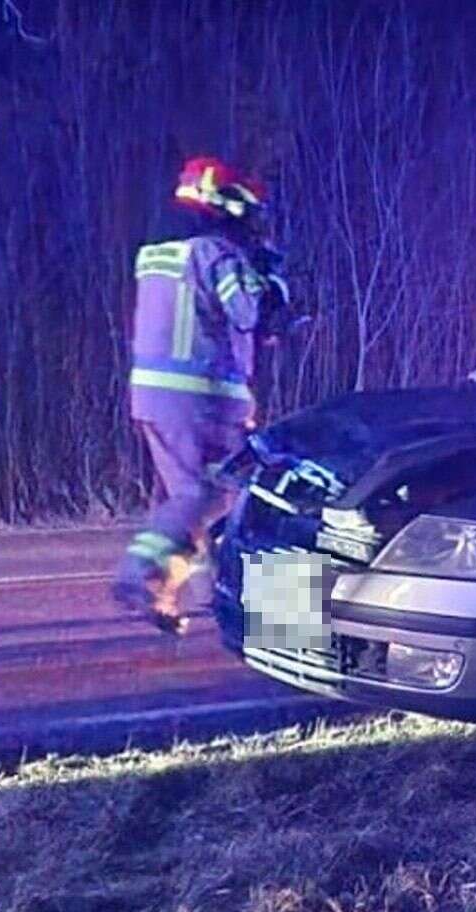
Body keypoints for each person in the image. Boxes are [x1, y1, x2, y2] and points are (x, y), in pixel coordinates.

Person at [113, 156, 291, 633]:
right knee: (242, 491)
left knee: (187, 496)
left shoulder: (158, 254)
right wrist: (271, 281)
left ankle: (167, 592)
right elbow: (250, 313)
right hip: (204, 399)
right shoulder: (217, 255)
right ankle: (273, 614)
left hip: (154, 398)